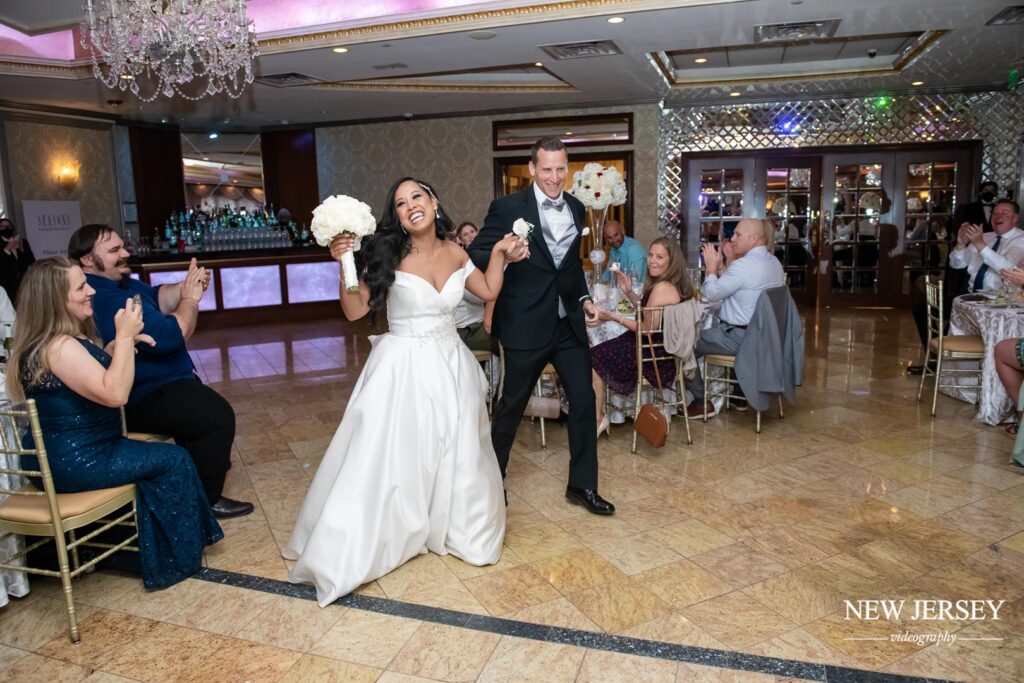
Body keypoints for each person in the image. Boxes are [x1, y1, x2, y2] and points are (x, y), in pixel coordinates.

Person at [284, 177, 526, 606]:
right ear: (395, 216)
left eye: (417, 196)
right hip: (401, 367)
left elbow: (488, 290)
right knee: (393, 454)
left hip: (451, 365)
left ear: (434, 201)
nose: (411, 205)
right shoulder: (385, 252)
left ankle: (452, 525)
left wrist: (502, 256)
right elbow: (356, 310)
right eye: (400, 203)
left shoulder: (456, 252)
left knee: (457, 450)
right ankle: (386, 532)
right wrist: (343, 263)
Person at [6, 257, 222, 588]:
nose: (90, 290)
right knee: (174, 460)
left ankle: (126, 541)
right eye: (81, 287)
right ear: (55, 299)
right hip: (77, 458)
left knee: (161, 456)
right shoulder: (59, 346)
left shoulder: (53, 341)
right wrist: (123, 339)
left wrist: (118, 346)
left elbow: (88, 372)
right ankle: (168, 555)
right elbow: (116, 393)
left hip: (62, 453)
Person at [470, 136, 615, 516]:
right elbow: (476, 252)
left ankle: (582, 485)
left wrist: (583, 301)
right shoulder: (506, 208)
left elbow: (567, 269)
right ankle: (491, 483)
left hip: (567, 325)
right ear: (533, 169)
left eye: (560, 169)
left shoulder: (577, 208)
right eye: (546, 169)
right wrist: (503, 250)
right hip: (523, 323)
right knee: (512, 406)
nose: (554, 177)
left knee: (584, 402)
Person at [67, 224, 253, 519]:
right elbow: (169, 337)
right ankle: (201, 506)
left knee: (204, 424)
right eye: (114, 250)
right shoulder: (104, 297)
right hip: (143, 393)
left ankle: (194, 494)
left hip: (166, 382)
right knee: (216, 417)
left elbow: (158, 295)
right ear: (87, 260)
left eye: (122, 246)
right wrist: (190, 300)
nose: (125, 253)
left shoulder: (122, 283)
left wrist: (186, 286)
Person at [591, 238, 696, 435]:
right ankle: (599, 415)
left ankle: (598, 418)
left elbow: (646, 329)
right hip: (651, 347)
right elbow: (648, 311)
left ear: (671, 261)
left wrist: (614, 317)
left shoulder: (662, 287)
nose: (652, 261)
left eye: (659, 257)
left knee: (593, 357)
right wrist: (629, 292)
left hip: (649, 354)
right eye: (650, 255)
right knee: (597, 352)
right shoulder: (670, 284)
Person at [909, 200, 1023, 375]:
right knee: (922, 308)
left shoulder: (1020, 240)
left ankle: (980, 371)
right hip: (970, 297)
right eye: (995, 213)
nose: (998, 216)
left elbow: (1007, 268)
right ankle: (935, 360)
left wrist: (980, 244)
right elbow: (957, 264)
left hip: (999, 301)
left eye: (1005, 213)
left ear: (1016, 218)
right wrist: (961, 244)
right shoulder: (986, 236)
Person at [685, 218, 785, 416]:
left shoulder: (744, 265)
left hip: (741, 339)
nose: (732, 238)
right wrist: (722, 268)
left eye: (738, 234)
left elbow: (712, 294)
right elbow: (738, 288)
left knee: (684, 343)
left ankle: (700, 401)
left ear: (754, 239)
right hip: (767, 338)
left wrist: (711, 269)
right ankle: (740, 395)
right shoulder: (774, 263)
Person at [0, 218, 35, 304]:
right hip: (6, 286)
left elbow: (31, 261)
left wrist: (22, 249)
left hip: (24, 284)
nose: (7, 228)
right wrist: (7, 249)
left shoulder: (22, 241)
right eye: (3, 227)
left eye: (9, 226)